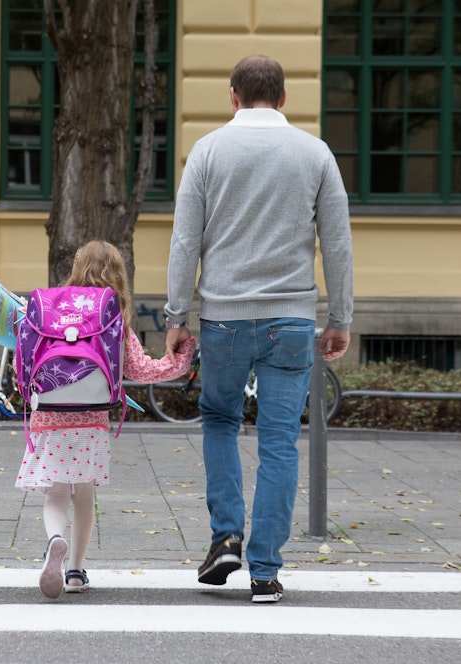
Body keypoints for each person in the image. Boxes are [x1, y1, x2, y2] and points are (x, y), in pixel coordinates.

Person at [163, 55, 353, 603]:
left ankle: (226, 536)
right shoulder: (315, 153)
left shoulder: (207, 151)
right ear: (284, 98)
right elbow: (337, 244)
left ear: (233, 96)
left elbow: (184, 242)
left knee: (219, 419)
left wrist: (177, 317)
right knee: (278, 440)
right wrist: (339, 317)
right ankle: (265, 570)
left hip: (223, 315)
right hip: (292, 318)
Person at [16, 240, 196, 599]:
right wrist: (182, 356)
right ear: (117, 275)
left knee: (55, 491)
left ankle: (55, 540)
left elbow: (22, 362)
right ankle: (76, 572)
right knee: (83, 494)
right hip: (92, 421)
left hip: (49, 415)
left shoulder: (47, 308)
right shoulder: (111, 318)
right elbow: (143, 370)